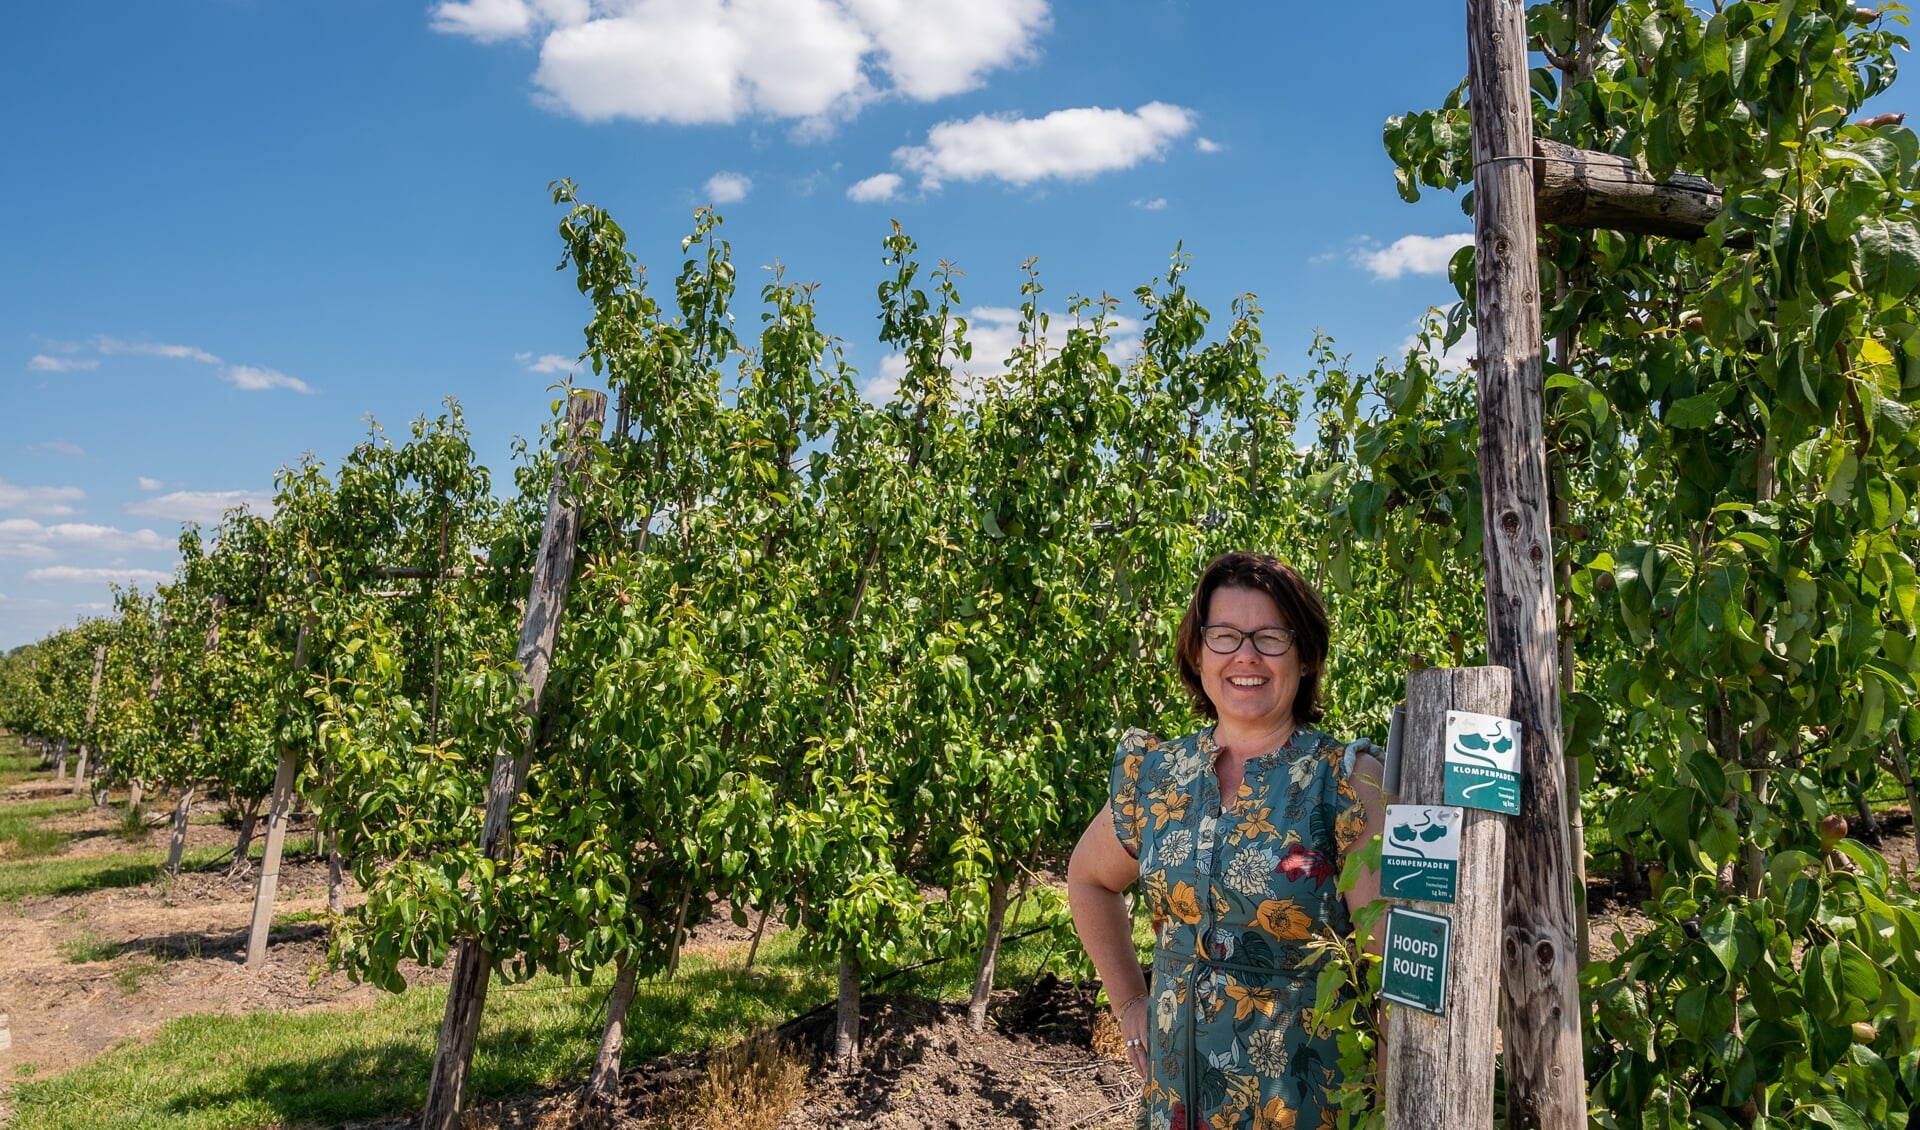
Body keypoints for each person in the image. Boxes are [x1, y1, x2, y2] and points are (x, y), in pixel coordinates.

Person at [1068, 551, 1385, 1130]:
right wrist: (1130, 1001)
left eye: (1270, 637)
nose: (1246, 655)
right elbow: (1089, 880)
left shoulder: (1343, 783)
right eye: (1225, 636)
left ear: (1306, 655)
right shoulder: (1159, 776)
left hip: (1304, 1108)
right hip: (1175, 1107)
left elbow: (1389, 971)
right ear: (1196, 651)